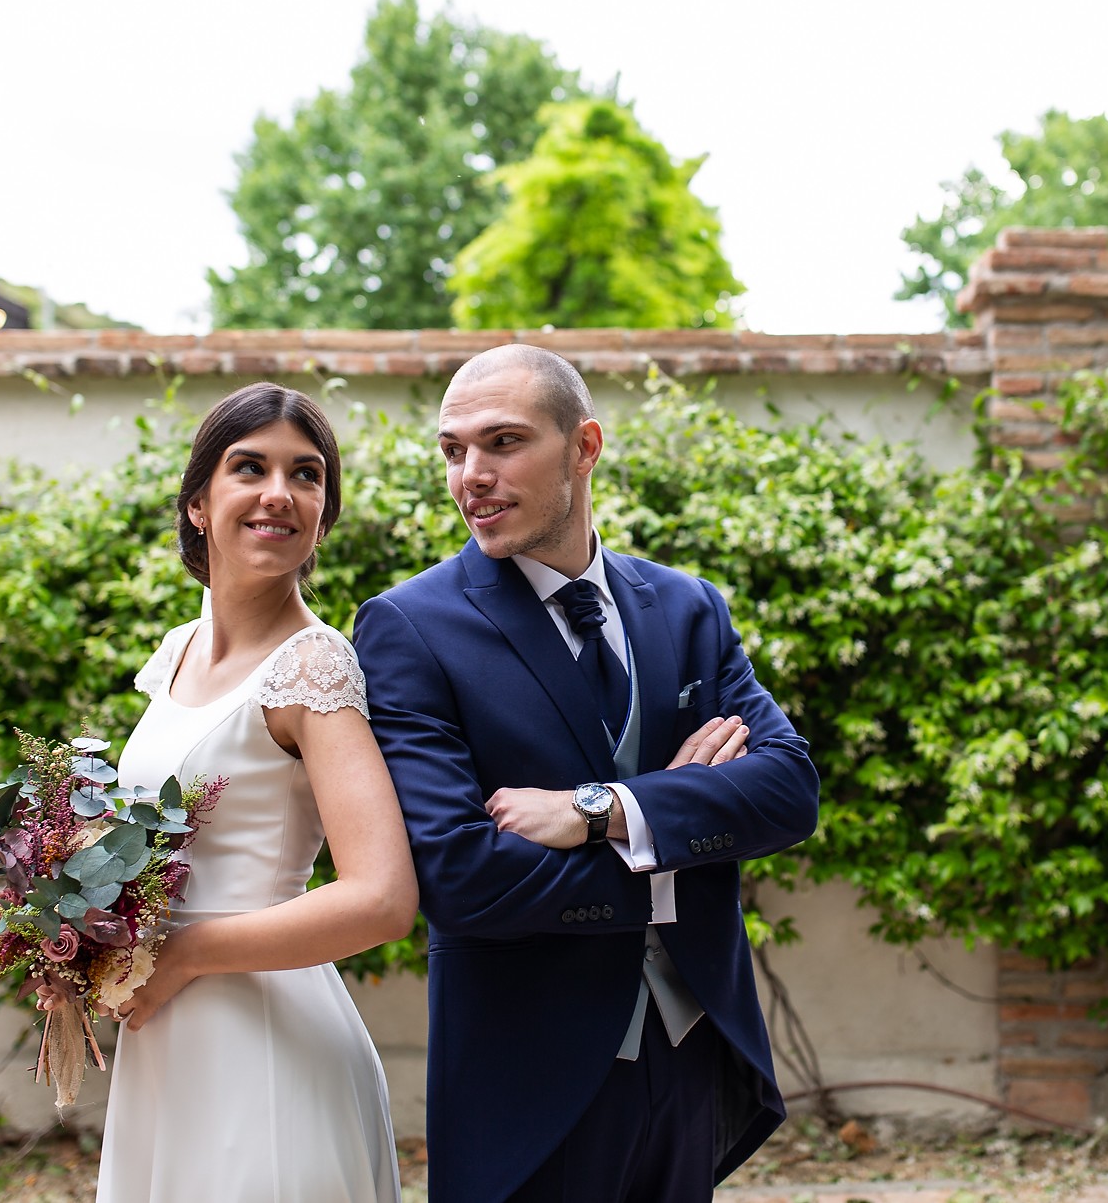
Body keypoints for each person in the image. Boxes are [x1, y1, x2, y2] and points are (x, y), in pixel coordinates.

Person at [353, 345, 820, 1203]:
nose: (472, 475)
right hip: (526, 1080)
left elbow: (788, 790)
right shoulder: (408, 628)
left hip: (690, 1055)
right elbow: (460, 873)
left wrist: (601, 808)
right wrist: (675, 839)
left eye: (502, 442)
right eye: (453, 450)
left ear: (585, 446)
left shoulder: (687, 609)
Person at [96, 382, 418, 1203]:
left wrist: (186, 953)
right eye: (251, 467)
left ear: (322, 513)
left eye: (305, 475)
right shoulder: (176, 652)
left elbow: (381, 898)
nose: (279, 493)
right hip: (168, 1044)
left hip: (267, 1048)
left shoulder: (313, 667)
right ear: (199, 502)